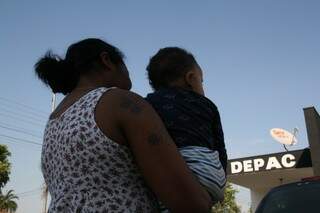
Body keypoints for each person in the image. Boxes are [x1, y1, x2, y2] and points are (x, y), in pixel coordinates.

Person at [35, 38, 212, 212]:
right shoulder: (120, 102)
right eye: (124, 63)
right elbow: (188, 202)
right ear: (107, 61)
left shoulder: (55, 119)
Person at [145, 47, 227, 206]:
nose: (202, 87)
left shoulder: (149, 104)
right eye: (201, 81)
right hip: (213, 172)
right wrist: (222, 177)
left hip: (180, 173)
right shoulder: (208, 106)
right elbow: (220, 146)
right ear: (190, 78)